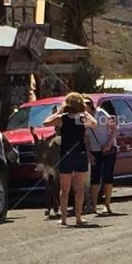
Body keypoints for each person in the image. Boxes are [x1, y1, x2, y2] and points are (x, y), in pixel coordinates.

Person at [45, 92, 98, 226]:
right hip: (80, 153)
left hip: (66, 154)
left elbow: (45, 123)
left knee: (65, 188)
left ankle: (63, 219)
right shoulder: (80, 118)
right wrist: (86, 114)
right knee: (79, 188)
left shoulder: (63, 119)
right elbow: (94, 124)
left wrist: (58, 113)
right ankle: (78, 218)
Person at [88, 99, 120, 214]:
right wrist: (89, 153)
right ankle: (94, 205)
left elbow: (113, 128)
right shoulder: (83, 118)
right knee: (95, 177)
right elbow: (85, 137)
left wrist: (108, 143)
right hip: (94, 149)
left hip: (108, 148)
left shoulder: (101, 114)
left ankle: (107, 203)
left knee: (108, 175)